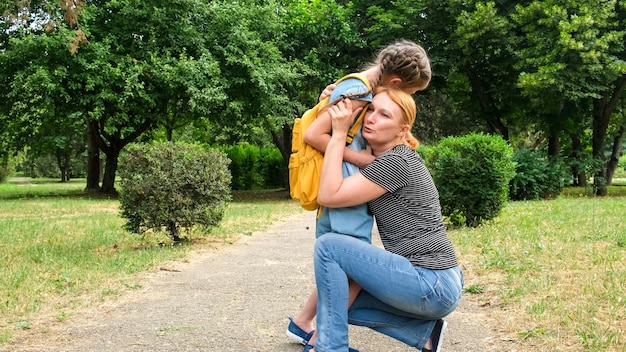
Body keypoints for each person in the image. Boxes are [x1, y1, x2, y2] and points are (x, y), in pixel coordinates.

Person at [286, 40, 433, 347]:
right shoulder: (360, 90)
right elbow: (315, 134)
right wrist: (363, 159)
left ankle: (303, 324)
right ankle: (320, 340)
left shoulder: (359, 85)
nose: (407, 98)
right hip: (343, 187)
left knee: (340, 264)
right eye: (411, 92)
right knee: (350, 267)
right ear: (395, 82)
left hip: (344, 185)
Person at [307, 86, 464, 352]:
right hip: (439, 282)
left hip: (431, 280)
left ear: (402, 130)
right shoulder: (386, 160)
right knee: (335, 295)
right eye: (370, 110)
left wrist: (339, 133)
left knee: (329, 247)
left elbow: (329, 194)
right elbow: (342, 148)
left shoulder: (397, 162)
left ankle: (330, 348)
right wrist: (336, 96)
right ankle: (425, 334)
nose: (370, 119)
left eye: (384, 116)